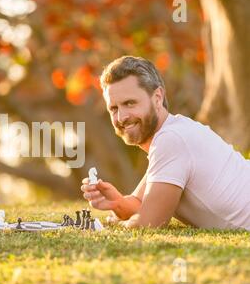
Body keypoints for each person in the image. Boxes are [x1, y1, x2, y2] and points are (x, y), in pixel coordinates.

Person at [81, 56, 250, 230]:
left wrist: (111, 225)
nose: (121, 117)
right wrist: (117, 203)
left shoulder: (172, 139)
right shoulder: (174, 134)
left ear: (157, 97)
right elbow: (142, 204)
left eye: (130, 103)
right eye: (114, 108)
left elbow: (149, 222)